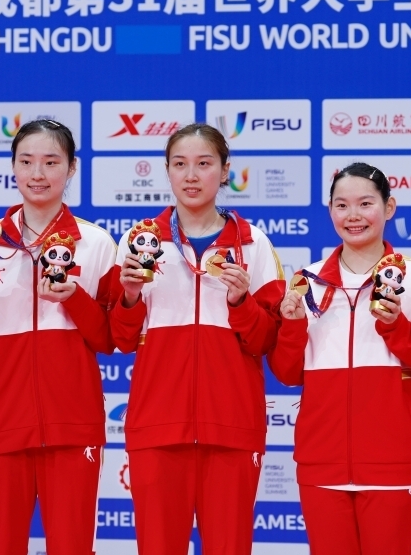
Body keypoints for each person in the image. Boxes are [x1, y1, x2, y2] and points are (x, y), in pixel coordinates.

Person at [111, 123, 283, 555]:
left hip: (231, 429)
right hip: (157, 428)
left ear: (225, 171)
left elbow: (265, 342)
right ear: (166, 171)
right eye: (180, 164)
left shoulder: (253, 245)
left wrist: (241, 300)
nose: (191, 175)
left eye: (204, 164)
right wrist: (129, 296)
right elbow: (121, 338)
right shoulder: (139, 241)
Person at [0, 119, 116, 555]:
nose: (37, 173)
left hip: (72, 425)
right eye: (26, 162)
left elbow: (109, 339)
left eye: (50, 162)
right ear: (13, 168)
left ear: (72, 168)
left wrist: (75, 298)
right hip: (1, 424)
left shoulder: (96, 244)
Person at [271, 162, 411, 555]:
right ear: (330, 211)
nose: (353, 216)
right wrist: (290, 325)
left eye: (365, 203)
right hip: (322, 466)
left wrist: (396, 326)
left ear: (389, 208)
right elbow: (286, 372)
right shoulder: (307, 281)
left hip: (395, 466)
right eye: (341, 205)